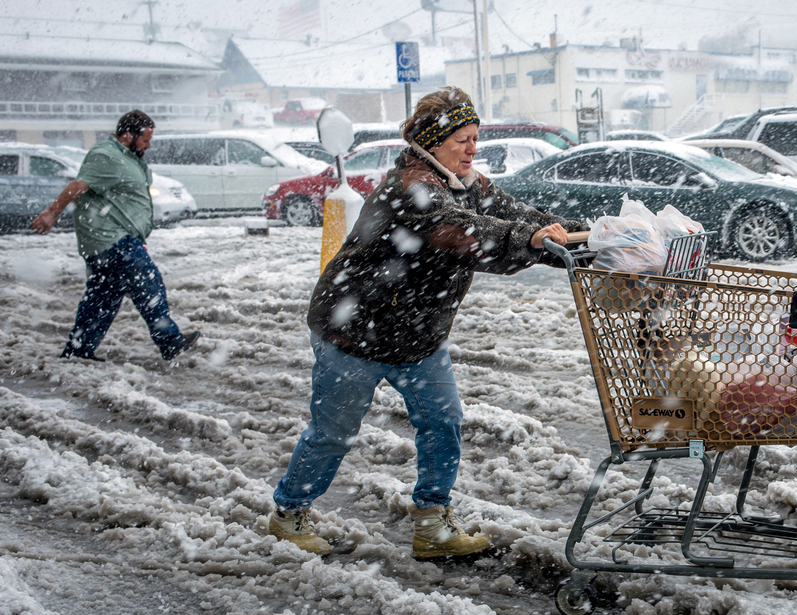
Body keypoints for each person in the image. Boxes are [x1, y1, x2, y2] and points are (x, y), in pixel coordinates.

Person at [268, 87, 585, 558]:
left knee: (443, 421)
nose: (473, 149)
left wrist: (582, 239)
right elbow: (463, 234)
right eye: (462, 140)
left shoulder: (468, 183)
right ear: (433, 142)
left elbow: (518, 216)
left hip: (418, 336)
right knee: (333, 433)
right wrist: (529, 240)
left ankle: (432, 525)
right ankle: (289, 512)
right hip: (354, 332)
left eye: (475, 138)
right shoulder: (411, 188)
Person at [31, 110, 200, 362]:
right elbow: (77, 186)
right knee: (148, 281)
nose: (149, 145)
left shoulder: (127, 158)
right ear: (128, 135)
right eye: (145, 140)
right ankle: (170, 341)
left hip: (109, 240)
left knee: (103, 296)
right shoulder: (107, 155)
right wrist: (51, 213)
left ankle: (78, 352)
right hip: (111, 238)